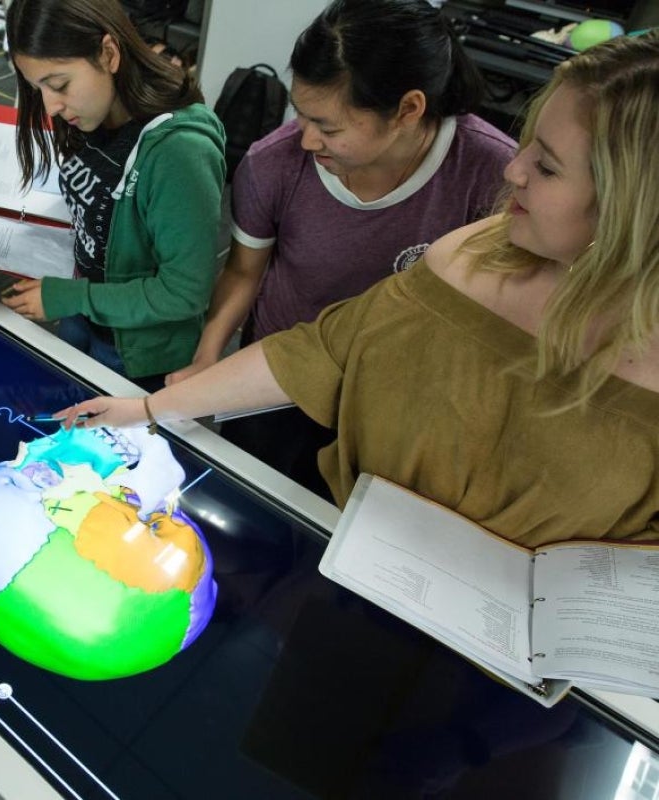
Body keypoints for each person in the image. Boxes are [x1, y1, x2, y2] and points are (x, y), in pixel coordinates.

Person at [56, 31, 659, 547]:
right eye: (527, 145)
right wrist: (150, 408)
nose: (513, 171)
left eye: (548, 167)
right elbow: (322, 348)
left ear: (635, 204)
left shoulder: (476, 174)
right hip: (366, 556)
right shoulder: (470, 254)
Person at [168, 0, 516, 498]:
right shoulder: (274, 165)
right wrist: (208, 358)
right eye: (300, 114)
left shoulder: (491, 177)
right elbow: (245, 273)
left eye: (329, 127)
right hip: (277, 375)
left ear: (408, 109)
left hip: (397, 396)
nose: (307, 139)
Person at [0, 0, 226, 393]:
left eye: (59, 85)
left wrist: (73, 297)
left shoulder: (180, 153)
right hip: (85, 312)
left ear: (108, 53)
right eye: (38, 89)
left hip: (136, 349)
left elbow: (183, 294)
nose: (51, 107)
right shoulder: (93, 113)